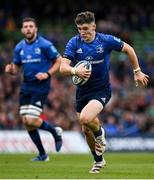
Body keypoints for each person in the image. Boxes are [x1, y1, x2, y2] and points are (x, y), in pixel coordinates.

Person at [60, 11, 149, 173]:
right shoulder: (74, 42)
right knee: (85, 128)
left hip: (101, 90)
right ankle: (98, 161)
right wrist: (74, 71)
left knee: (86, 118)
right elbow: (62, 67)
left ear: (94, 26)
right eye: (79, 28)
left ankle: (100, 134)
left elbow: (128, 49)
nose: (82, 32)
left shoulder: (105, 40)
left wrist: (137, 71)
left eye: (86, 28)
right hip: (82, 92)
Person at [5, 17, 63, 161]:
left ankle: (54, 131)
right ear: (22, 30)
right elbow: (16, 68)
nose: (28, 29)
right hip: (26, 86)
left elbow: (59, 60)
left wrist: (47, 73)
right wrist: (11, 70)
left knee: (31, 119)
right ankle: (43, 155)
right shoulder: (19, 47)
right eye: (26, 27)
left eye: (31, 26)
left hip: (41, 86)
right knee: (26, 121)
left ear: (36, 28)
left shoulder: (45, 44)